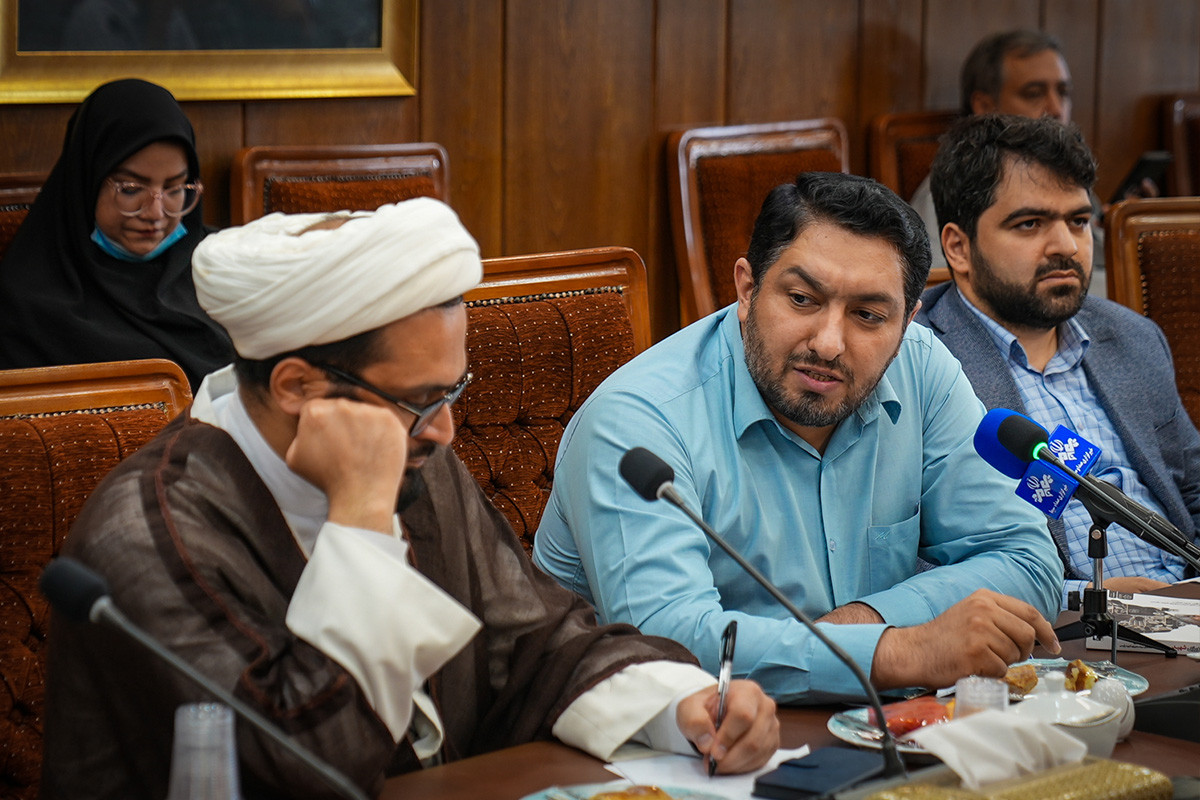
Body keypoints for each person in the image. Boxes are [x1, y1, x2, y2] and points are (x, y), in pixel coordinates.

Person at [40, 199, 779, 799]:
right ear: (297, 386)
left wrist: (680, 706)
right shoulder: (145, 535)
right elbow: (308, 768)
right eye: (421, 399)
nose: (446, 429)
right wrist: (361, 520)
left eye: (452, 391)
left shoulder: (412, 452)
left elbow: (535, 640)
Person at [533, 172, 1064, 704]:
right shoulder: (638, 421)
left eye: (868, 315)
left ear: (906, 323)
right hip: (659, 740)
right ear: (747, 289)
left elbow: (1028, 560)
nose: (829, 344)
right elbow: (668, 646)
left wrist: (866, 621)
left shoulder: (921, 369)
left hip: (871, 726)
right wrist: (897, 651)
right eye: (803, 299)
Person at [915, 113, 1200, 607]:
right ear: (958, 247)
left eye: (1078, 221)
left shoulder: (1132, 337)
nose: (1066, 246)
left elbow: (1194, 489)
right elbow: (911, 557)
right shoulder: (917, 362)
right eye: (1030, 224)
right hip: (1061, 629)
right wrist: (1085, 597)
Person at [0, 78, 232, 389]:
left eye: (175, 188)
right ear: (87, 183)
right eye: (131, 189)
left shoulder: (223, 265)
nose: (155, 213)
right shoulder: (27, 303)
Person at [906, 30, 1118, 295]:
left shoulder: (1068, 177)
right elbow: (933, 282)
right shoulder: (956, 189)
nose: (1056, 109)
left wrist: (1118, 226)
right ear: (985, 105)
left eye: (1063, 92)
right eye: (1034, 93)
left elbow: (1102, 258)